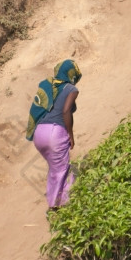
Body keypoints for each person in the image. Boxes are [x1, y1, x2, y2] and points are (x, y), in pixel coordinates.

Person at [26, 59, 82, 211]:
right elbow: (65, 111)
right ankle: (62, 206)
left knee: (55, 169)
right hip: (54, 133)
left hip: (39, 133)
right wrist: (70, 135)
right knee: (63, 170)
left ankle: (56, 203)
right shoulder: (71, 89)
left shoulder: (50, 86)